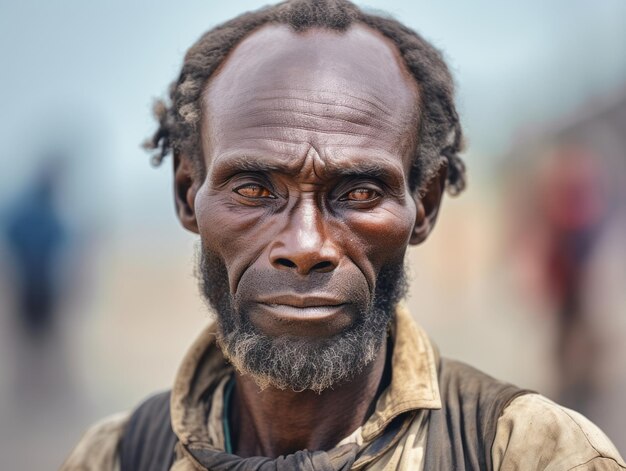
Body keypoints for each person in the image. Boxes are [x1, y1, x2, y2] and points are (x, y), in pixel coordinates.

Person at [61, 1, 626, 469]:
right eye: (255, 190)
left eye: (357, 193)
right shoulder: (117, 457)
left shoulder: (530, 454)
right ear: (187, 193)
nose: (306, 245)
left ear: (423, 205)